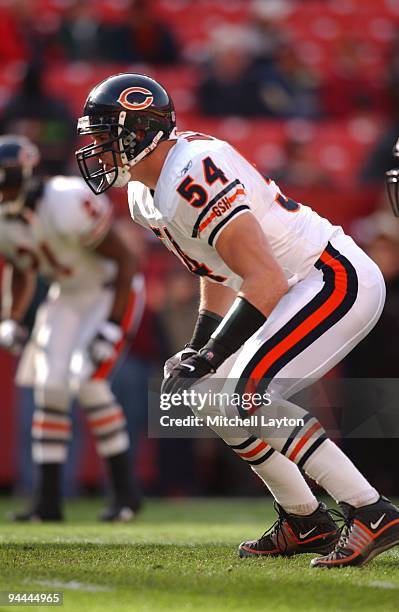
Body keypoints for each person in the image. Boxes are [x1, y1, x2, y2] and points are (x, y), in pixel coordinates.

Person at [75, 73, 399, 568]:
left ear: (140, 133)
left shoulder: (192, 173)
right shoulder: (146, 195)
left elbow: (264, 278)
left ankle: (370, 510)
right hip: (292, 286)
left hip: (330, 277)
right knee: (208, 395)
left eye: (105, 134)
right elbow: (220, 268)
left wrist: (212, 354)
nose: (97, 147)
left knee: (243, 394)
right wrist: (201, 345)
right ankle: (304, 520)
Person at [0, 135, 145, 522]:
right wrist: (12, 317)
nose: (4, 191)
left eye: (8, 181)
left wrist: (112, 327)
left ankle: (126, 495)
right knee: (50, 388)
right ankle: (47, 504)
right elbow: (19, 264)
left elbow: (125, 260)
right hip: (66, 295)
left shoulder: (66, 200)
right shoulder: (6, 218)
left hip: (109, 291)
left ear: (29, 176)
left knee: (90, 384)